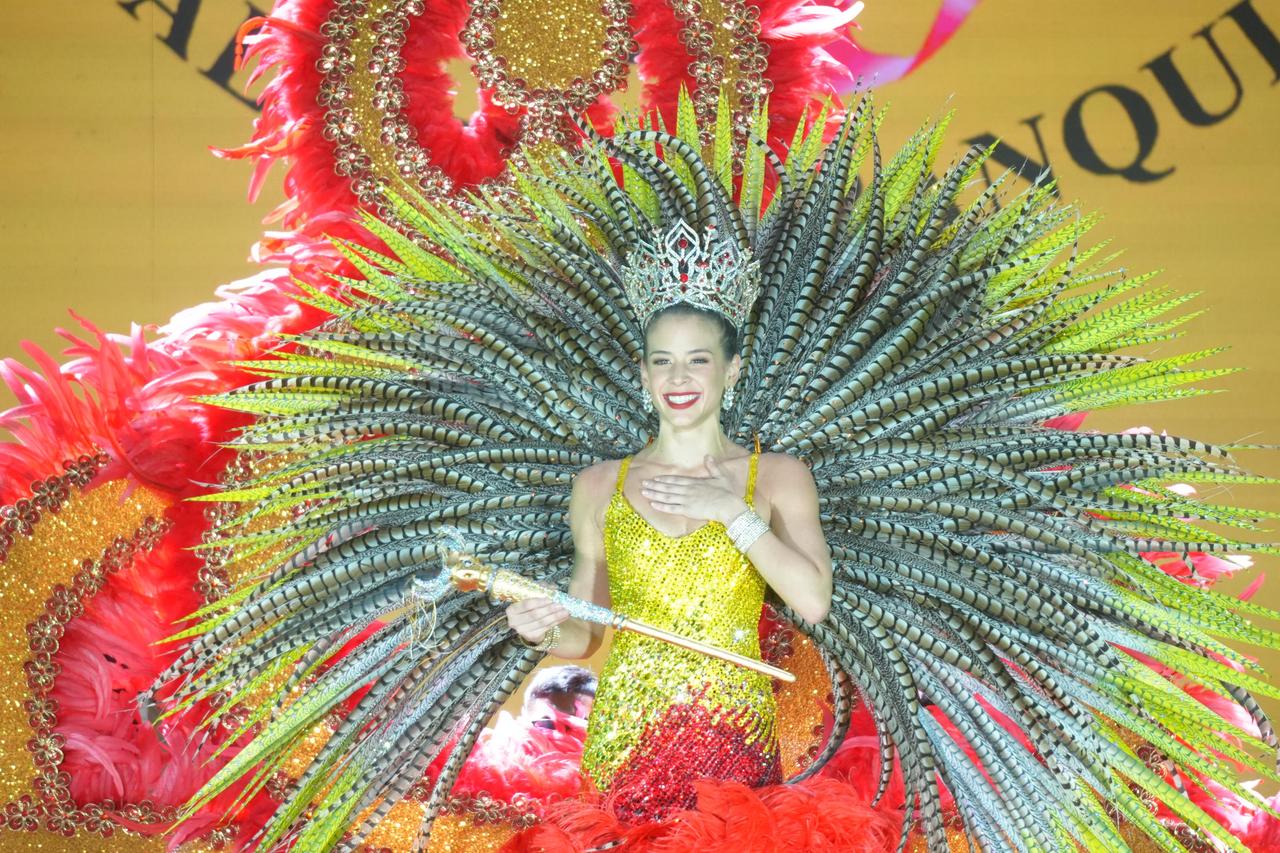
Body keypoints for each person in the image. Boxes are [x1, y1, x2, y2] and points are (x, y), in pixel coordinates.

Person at [505, 299, 833, 822]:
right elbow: (585, 635)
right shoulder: (597, 485)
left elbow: (812, 601)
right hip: (628, 733)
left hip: (735, 733)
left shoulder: (775, 475)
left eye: (698, 360)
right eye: (663, 361)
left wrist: (731, 511)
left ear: (732, 369)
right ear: (643, 373)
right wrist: (538, 630)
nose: (678, 377)